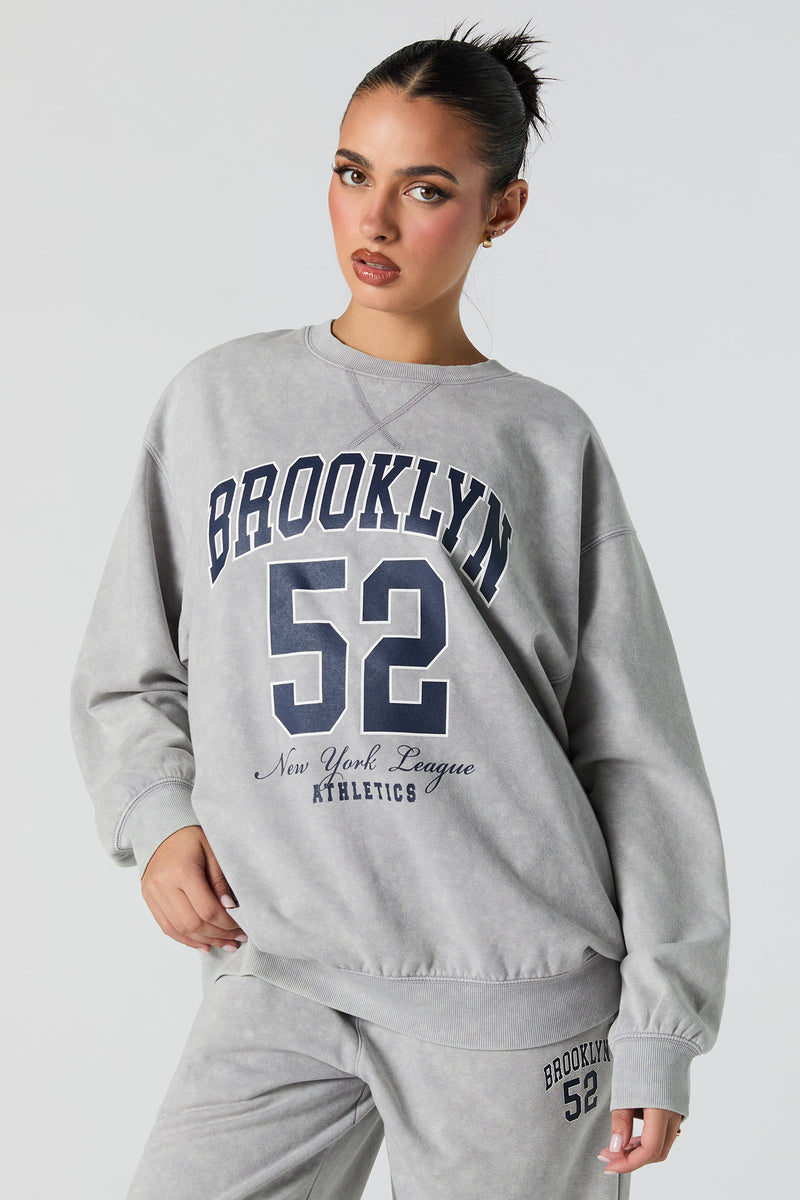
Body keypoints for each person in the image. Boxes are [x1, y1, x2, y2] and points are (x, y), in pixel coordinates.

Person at [69, 18, 731, 1200]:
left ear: (500, 209)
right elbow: (129, 664)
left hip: (512, 990)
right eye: (350, 173)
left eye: (424, 189)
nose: (371, 220)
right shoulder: (218, 403)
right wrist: (158, 817)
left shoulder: (543, 440)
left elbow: (635, 754)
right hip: (278, 965)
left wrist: (659, 1025)